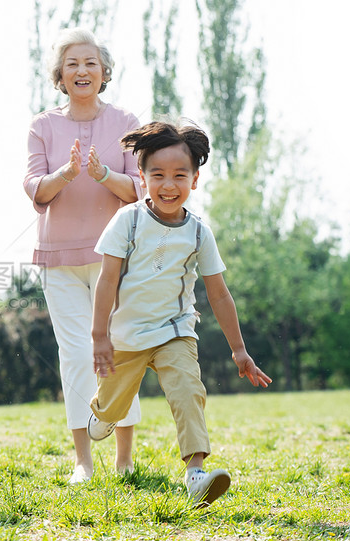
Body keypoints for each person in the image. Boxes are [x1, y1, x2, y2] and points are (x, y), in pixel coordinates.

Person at [89, 120, 273, 507]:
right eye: (158, 175)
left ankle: (196, 475)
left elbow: (219, 294)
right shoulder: (129, 220)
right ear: (141, 176)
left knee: (190, 392)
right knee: (112, 408)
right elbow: (106, 281)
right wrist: (100, 336)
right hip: (127, 335)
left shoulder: (199, 233)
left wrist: (239, 350)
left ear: (195, 179)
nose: (169, 185)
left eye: (179, 175)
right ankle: (104, 413)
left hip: (176, 330)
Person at [23, 28, 142, 484]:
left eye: (90, 63)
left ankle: (125, 458)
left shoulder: (128, 121)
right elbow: (35, 189)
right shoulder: (42, 126)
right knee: (74, 356)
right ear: (60, 75)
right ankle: (82, 461)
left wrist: (103, 173)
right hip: (59, 259)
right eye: (72, 64)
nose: (82, 71)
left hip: (115, 255)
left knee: (119, 353)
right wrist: (69, 172)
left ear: (104, 72)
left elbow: (139, 189)